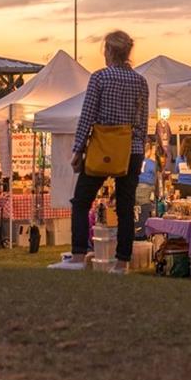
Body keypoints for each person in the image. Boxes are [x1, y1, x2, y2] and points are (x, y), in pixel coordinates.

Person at [50, 30, 149, 273]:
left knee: (81, 201)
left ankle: (77, 256)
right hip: (131, 148)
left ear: (110, 52)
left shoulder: (100, 78)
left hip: (102, 146)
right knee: (125, 207)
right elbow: (143, 121)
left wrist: (77, 150)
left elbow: (88, 116)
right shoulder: (140, 81)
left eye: (105, 50)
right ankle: (122, 263)